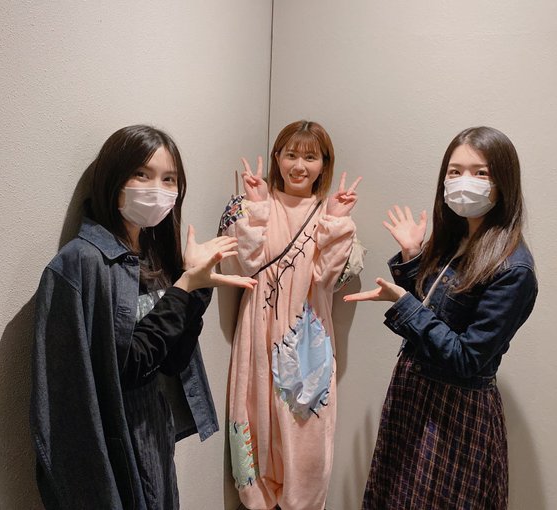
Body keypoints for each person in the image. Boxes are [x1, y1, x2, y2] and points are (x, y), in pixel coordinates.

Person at [30, 125, 256, 509]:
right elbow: (122, 370)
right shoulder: (79, 265)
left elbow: (171, 360)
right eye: (142, 174)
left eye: (169, 179)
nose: (157, 189)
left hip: (154, 430)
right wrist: (184, 289)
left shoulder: (152, 255)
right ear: (113, 178)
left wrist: (195, 288)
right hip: (118, 442)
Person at [345, 126, 538, 509]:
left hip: (456, 412)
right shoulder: (456, 239)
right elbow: (435, 313)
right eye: (455, 171)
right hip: (414, 393)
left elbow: (466, 358)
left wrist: (403, 302)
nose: (465, 181)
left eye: (480, 173)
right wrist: (413, 258)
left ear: (503, 182)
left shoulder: (514, 269)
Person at [219, 120, 362, 510]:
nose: (299, 166)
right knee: (256, 415)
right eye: (291, 154)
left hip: (306, 333)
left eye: (310, 157)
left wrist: (336, 222)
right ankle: (257, 498)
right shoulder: (257, 204)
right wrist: (256, 209)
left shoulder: (328, 213)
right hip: (258, 328)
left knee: (305, 424)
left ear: (324, 164)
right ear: (277, 157)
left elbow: (325, 279)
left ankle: (302, 501)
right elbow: (244, 266)